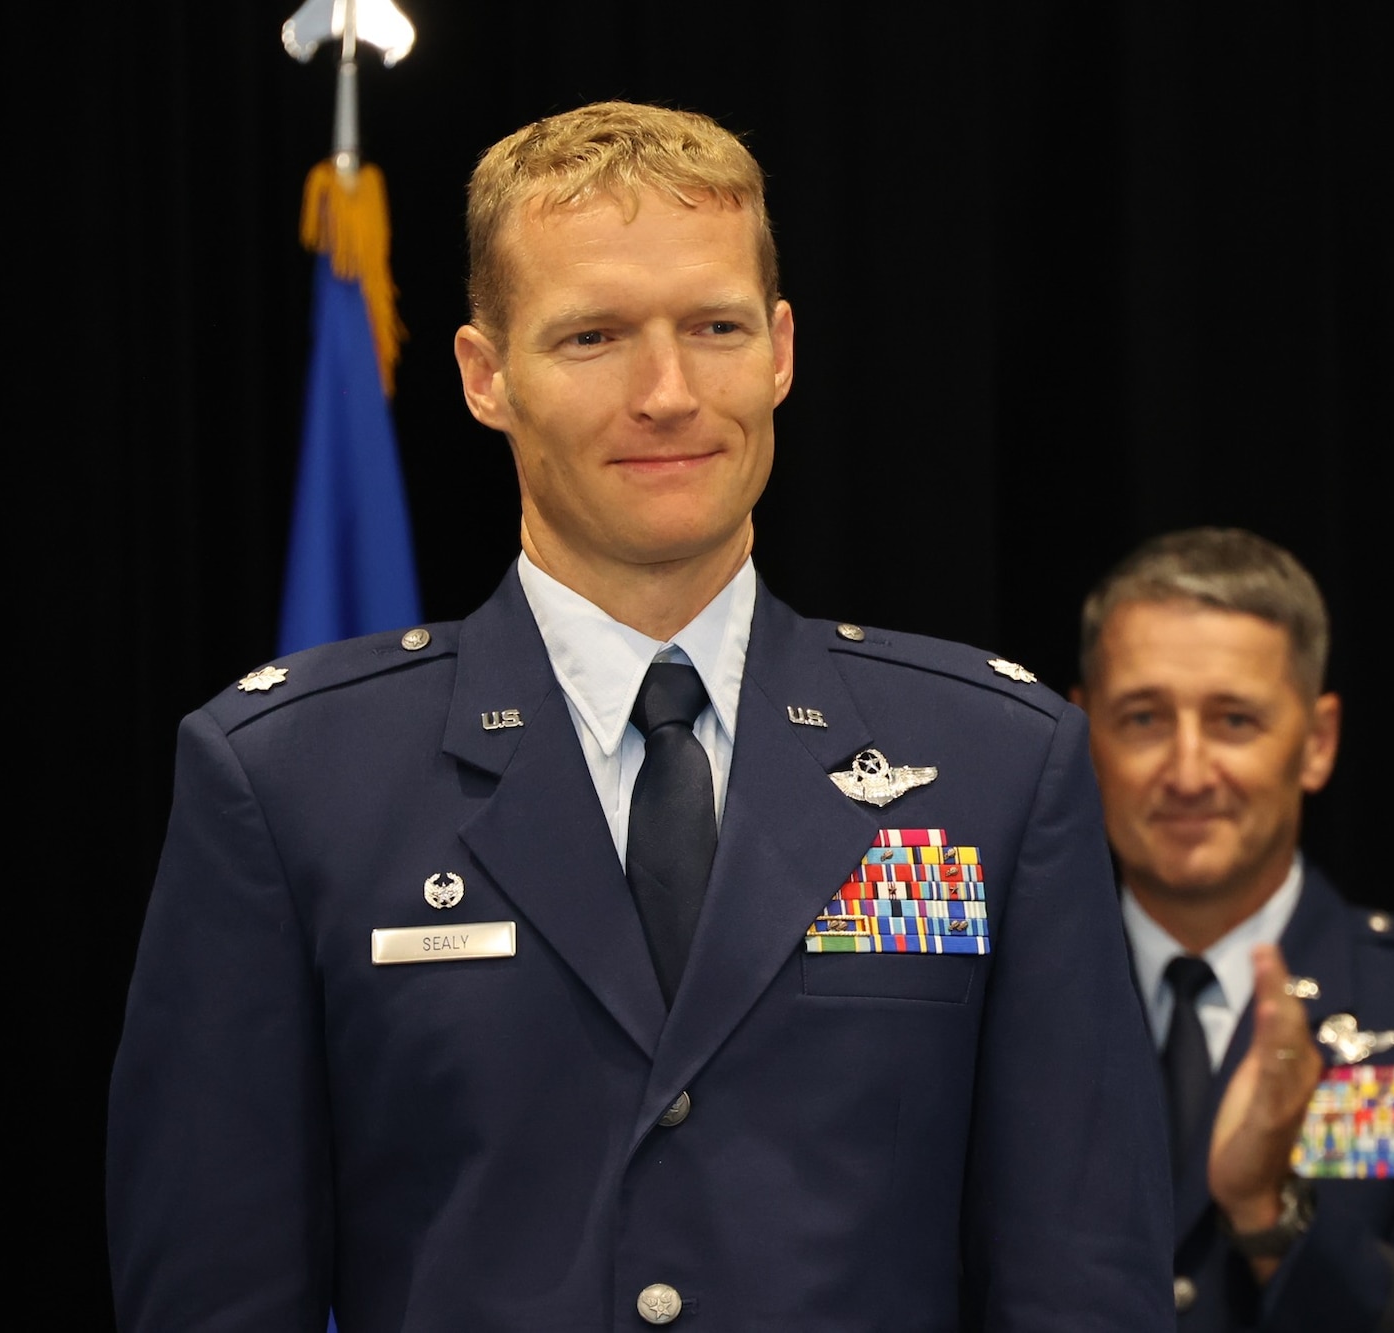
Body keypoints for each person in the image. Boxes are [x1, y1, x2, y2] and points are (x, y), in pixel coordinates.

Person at [107, 101, 1173, 1331]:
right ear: (483, 375)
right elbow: (215, 1296)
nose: (666, 392)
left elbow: (1082, 1281)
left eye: (712, 327)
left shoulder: (997, 763)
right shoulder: (291, 782)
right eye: (593, 336)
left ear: (778, 350)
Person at [1069, 528, 1394, 1332]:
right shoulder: (1005, 1000)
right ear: (1081, 736)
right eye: (1144, 717)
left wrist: (1271, 1213)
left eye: (1234, 720)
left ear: (1317, 741)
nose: (1188, 771)